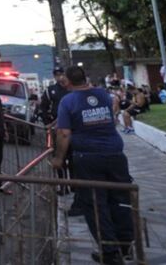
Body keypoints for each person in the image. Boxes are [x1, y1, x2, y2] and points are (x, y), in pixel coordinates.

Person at [50, 66, 134, 265]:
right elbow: (115, 106)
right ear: (86, 78)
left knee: (96, 203)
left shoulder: (68, 101)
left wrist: (59, 159)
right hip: (115, 154)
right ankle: (125, 244)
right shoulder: (103, 94)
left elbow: (64, 133)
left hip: (88, 158)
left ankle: (110, 251)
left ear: (68, 82)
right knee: (120, 198)